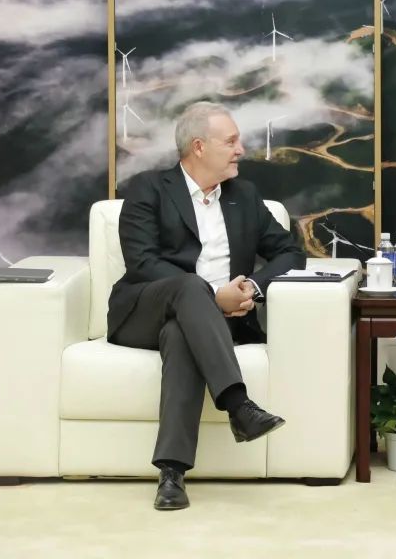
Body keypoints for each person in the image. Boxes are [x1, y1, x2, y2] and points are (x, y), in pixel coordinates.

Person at [108, 102, 306, 511]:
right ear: (199, 147)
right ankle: (238, 405)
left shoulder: (244, 196)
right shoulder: (148, 189)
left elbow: (290, 252)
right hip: (144, 311)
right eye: (230, 142)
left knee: (182, 334)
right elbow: (142, 263)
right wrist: (214, 295)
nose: (241, 150)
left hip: (209, 324)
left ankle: (172, 474)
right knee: (188, 287)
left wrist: (252, 287)